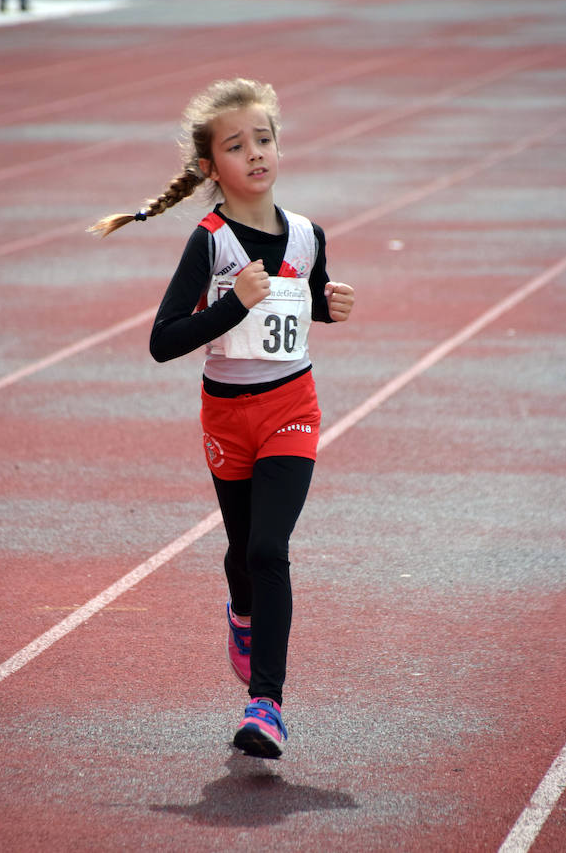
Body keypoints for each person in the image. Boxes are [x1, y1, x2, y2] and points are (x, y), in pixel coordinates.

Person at [88, 78, 355, 759]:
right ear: (211, 169)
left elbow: (300, 306)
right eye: (237, 146)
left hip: (291, 408)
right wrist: (232, 303)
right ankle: (241, 615)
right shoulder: (209, 243)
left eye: (263, 139)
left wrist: (330, 305)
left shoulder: (306, 233)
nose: (256, 153)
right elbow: (163, 341)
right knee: (241, 554)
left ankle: (265, 705)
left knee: (269, 549)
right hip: (226, 416)